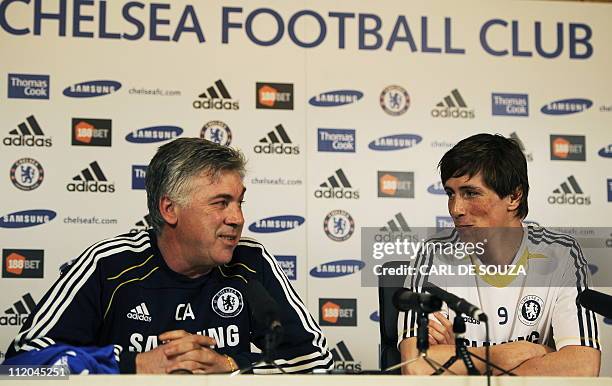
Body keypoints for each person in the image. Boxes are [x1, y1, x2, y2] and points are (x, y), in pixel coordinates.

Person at [4, 138, 333, 374]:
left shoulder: (250, 262)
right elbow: (21, 364)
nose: (237, 218)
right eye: (220, 203)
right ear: (169, 209)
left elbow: (316, 359)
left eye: (239, 202)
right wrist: (134, 365)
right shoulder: (108, 265)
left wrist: (232, 365)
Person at [397, 133, 600, 376]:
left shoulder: (562, 254)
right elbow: (416, 365)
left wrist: (460, 361)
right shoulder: (434, 255)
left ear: (514, 197)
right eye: (450, 193)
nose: (455, 209)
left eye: (470, 193)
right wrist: (514, 353)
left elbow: (582, 367)